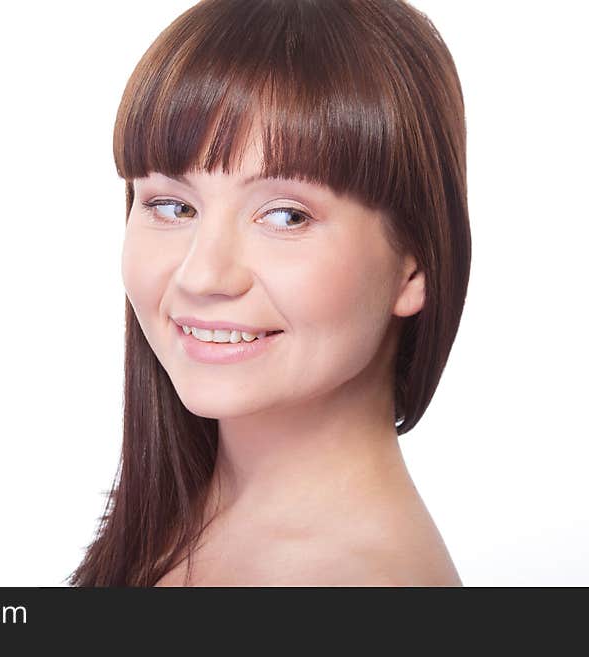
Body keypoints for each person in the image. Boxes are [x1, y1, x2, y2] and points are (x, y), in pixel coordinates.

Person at [69, 0, 470, 586]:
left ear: (414, 268)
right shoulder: (187, 522)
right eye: (172, 205)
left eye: (285, 216)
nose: (201, 275)